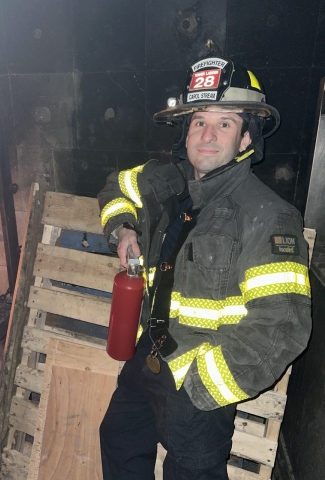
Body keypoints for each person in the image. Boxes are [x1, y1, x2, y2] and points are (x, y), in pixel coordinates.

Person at [97, 51, 312, 480]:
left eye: (225, 123)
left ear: (247, 139)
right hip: (148, 359)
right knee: (118, 438)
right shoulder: (169, 182)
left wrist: (200, 388)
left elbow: (281, 328)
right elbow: (115, 187)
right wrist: (122, 230)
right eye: (199, 122)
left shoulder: (268, 216)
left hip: (199, 385)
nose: (208, 135)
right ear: (186, 133)